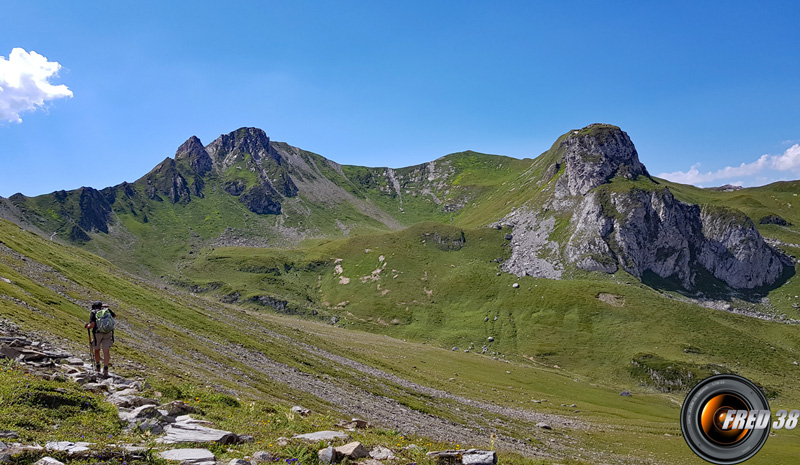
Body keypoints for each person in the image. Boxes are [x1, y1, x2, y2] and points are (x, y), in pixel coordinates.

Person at [84, 301, 115, 377]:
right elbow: (114, 316)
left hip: (97, 334)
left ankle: (98, 367)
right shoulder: (106, 311)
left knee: (97, 349)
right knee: (106, 350)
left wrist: (87, 326)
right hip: (108, 333)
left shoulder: (94, 312)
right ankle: (106, 369)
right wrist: (106, 308)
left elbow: (92, 325)